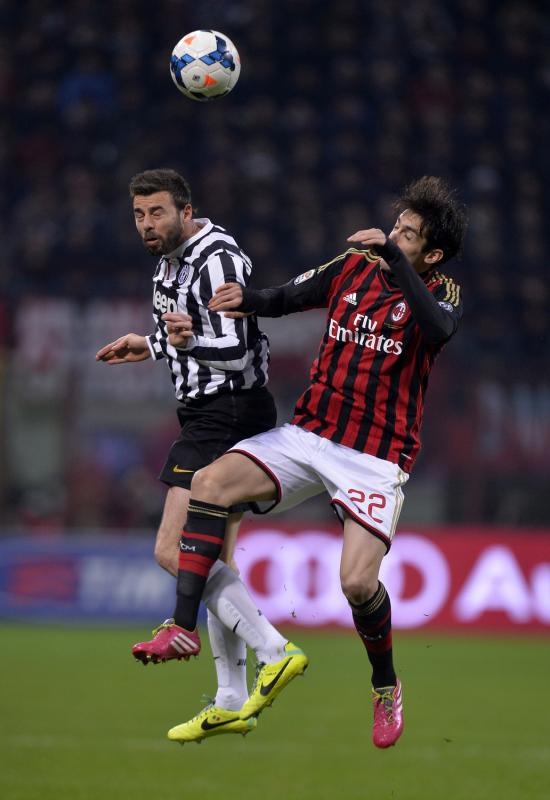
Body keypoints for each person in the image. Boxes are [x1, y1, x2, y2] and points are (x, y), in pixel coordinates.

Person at [138, 175, 468, 748]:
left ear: (431, 255)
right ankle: (182, 627)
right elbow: (289, 297)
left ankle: (385, 685)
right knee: (209, 483)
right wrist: (247, 300)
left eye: (408, 236)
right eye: (396, 227)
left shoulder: (444, 293)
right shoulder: (354, 266)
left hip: (374, 456)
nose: (393, 237)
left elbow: (437, 330)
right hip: (310, 433)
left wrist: (395, 261)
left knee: (357, 583)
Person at [95, 168, 308, 743]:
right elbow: (185, 337)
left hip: (228, 410)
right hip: (202, 412)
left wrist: (176, 342)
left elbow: (236, 351)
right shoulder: (168, 264)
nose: (146, 224)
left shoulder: (217, 258)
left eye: (157, 212)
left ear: (186, 211)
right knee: (212, 559)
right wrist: (150, 344)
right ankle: (231, 697)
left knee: (171, 549)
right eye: (139, 215)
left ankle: (275, 651)